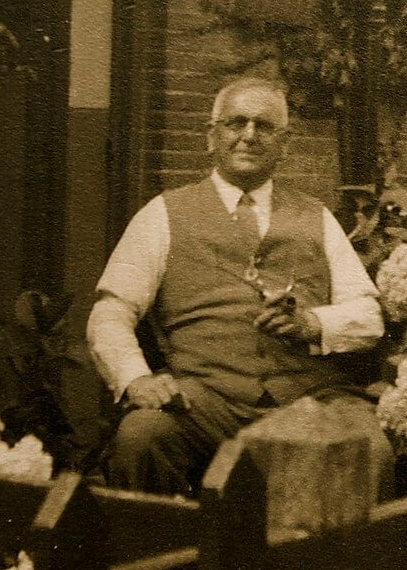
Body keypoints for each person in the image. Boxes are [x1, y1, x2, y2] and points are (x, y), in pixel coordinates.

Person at [86, 77, 389, 495]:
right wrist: (136, 378)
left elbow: (368, 316)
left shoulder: (316, 217)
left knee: (367, 447)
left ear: (284, 145)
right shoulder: (162, 214)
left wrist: (312, 323)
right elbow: (111, 311)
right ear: (211, 137)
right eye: (236, 123)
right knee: (142, 435)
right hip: (206, 400)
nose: (249, 135)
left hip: (311, 398)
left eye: (264, 126)